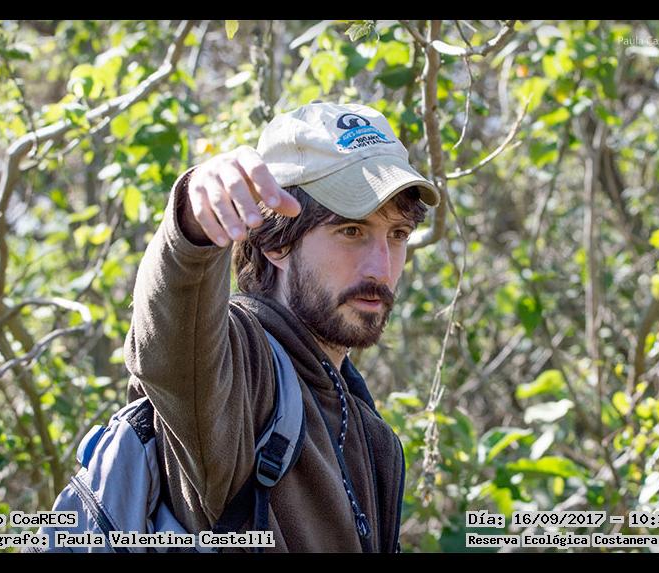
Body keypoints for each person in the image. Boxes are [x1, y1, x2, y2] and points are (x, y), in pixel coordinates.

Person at [124, 101, 440, 552]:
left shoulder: (367, 429)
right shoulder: (239, 374)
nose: (382, 267)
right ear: (276, 241)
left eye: (397, 235)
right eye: (351, 231)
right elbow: (171, 347)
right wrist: (195, 220)